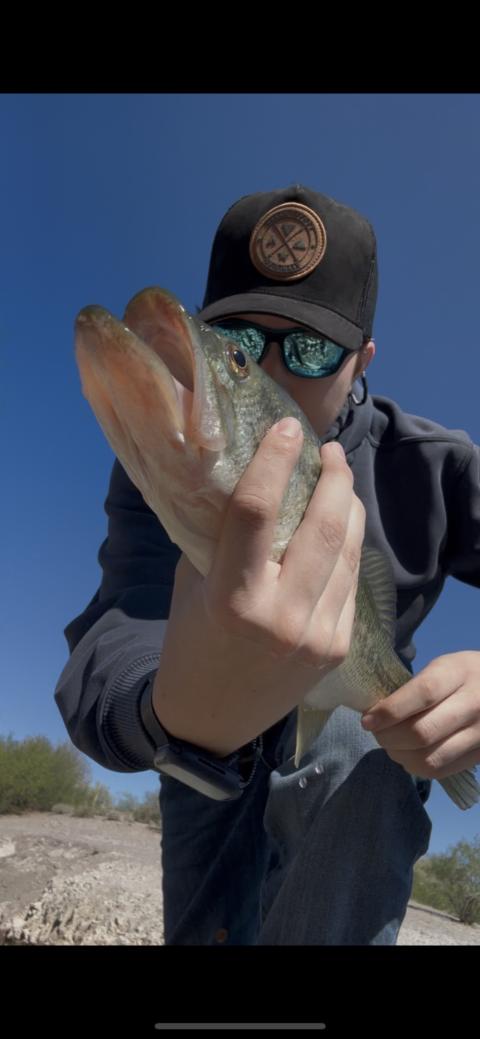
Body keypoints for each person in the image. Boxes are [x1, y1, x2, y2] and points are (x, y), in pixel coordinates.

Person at [55, 184, 480, 945]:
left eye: (312, 349)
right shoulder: (163, 467)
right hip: (206, 766)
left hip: (359, 760)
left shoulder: (436, 464)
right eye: (239, 346)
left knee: (355, 745)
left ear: (362, 360)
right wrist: (174, 713)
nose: (275, 374)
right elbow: (113, 636)